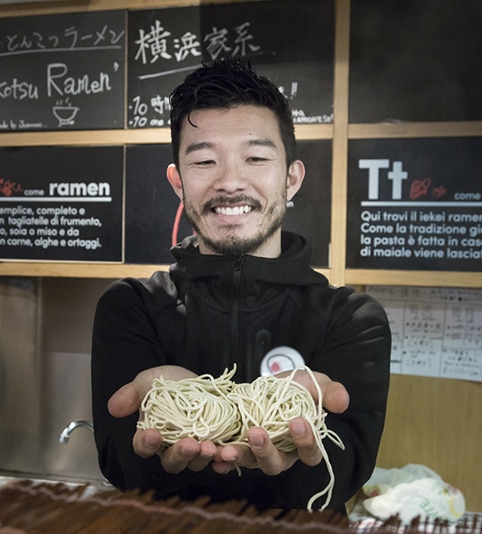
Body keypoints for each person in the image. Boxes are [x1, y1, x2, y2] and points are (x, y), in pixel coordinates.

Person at [91, 58, 391, 511]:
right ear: (178, 182)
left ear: (291, 178)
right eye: (205, 160)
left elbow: (341, 476)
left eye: (255, 157)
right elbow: (122, 464)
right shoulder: (131, 306)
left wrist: (296, 459)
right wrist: (166, 438)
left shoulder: (352, 318)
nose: (230, 181)